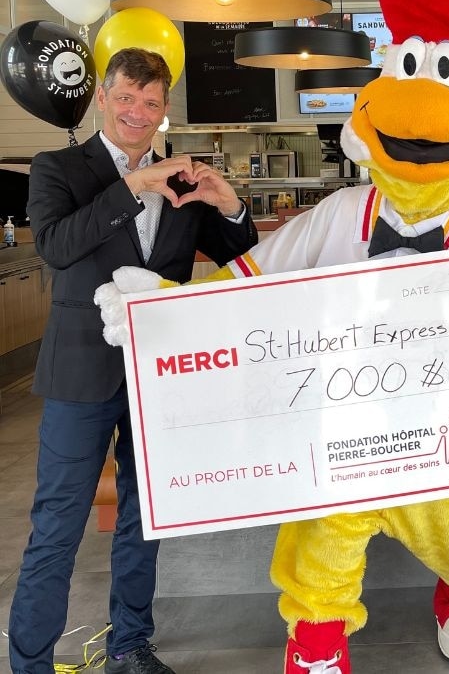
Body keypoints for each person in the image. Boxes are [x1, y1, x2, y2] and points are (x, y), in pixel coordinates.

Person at [8, 47, 258, 674]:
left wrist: (229, 203)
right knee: (58, 524)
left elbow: (237, 253)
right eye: (126, 97)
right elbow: (60, 248)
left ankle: (130, 645)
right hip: (80, 376)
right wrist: (132, 187)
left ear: (164, 109)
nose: (137, 112)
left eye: (150, 102)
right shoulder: (57, 168)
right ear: (102, 97)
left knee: (144, 518)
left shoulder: (183, 176)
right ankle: (31, 661)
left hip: (157, 378)